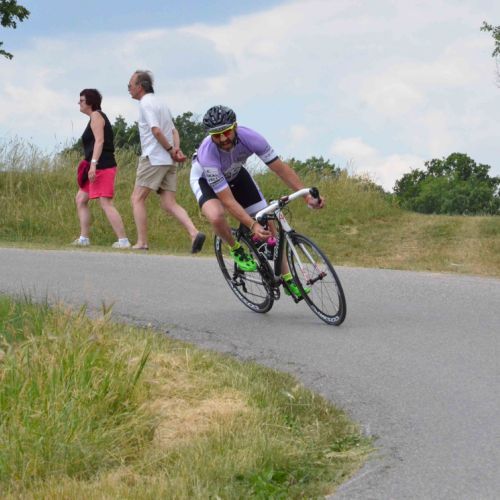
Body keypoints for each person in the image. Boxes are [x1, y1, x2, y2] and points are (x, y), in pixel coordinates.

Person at [190, 105, 324, 299]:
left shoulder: (251, 138)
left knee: (269, 221)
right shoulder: (207, 154)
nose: (223, 139)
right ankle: (236, 248)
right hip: (205, 180)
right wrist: (252, 225)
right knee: (217, 216)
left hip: (236, 174)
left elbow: (280, 169)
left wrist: (306, 195)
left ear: (235, 127)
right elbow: (228, 201)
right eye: (216, 135)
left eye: (226, 132)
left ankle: (288, 279)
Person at [128, 70, 205, 253]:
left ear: (140, 87)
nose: (129, 89)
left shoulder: (146, 103)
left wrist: (171, 150)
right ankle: (194, 232)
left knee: (137, 198)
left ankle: (142, 242)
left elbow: (156, 130)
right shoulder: (161, 103)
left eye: (130, 85)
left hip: (154, 157)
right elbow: (173, 131)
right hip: (168, 160)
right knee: (169, 203)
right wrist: (175, 150)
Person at [72, 88, 131, 248]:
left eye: (82, 100)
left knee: (105, 203)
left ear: (90, 102)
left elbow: (100, 141)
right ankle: (84, 239)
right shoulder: (94, 117)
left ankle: (123, 241)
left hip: (102, 166)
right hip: (94, 167)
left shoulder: (97, 116)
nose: (79, 103)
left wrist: (93, 165)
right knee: (81, 199)